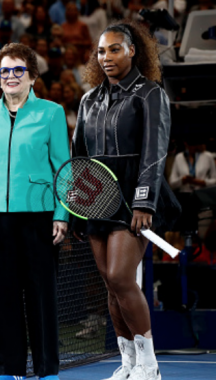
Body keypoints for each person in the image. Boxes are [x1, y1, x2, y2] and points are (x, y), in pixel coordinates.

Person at [74, 21, 181, 380]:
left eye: (115, 49)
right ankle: (128, 363)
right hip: (96, 201)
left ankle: (149, 365)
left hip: (133, 201)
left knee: (121, 277)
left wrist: (144, 202)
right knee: (110, 283)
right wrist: (77, 206)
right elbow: (80, 158)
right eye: (101, 51)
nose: (106, 57)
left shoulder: (150, 93)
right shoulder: (89, 99)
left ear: (132, 50)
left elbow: (155, 152)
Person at [0, 42, 69, 380]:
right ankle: (7, 371)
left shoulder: (51, 113)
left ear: (32, 76)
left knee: (41, 296)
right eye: (4, 71)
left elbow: (62, 169)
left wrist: (61, 214)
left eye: (18, 70)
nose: (10, 76)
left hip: (39, 216)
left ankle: (47, 370)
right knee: (1, 296)